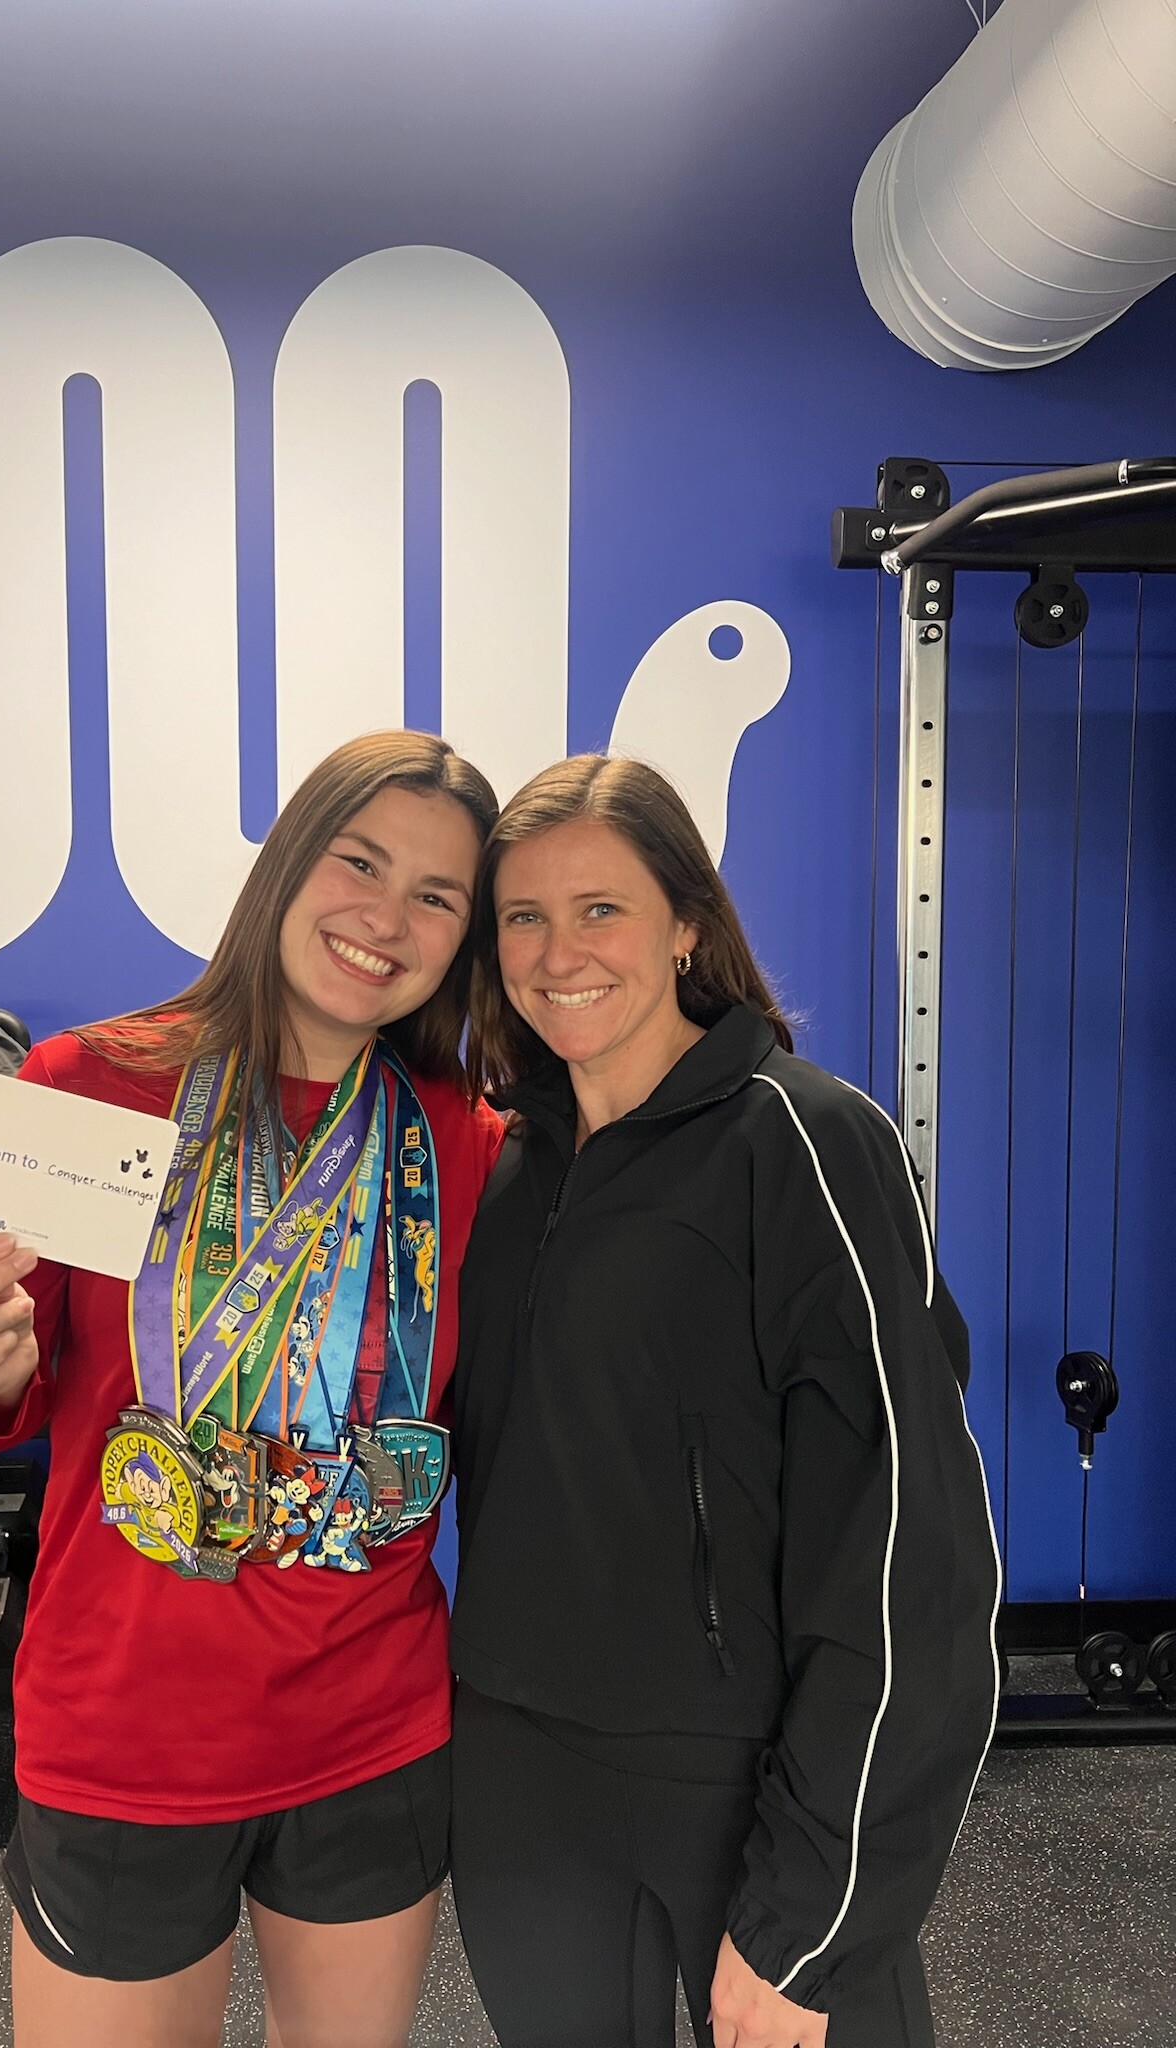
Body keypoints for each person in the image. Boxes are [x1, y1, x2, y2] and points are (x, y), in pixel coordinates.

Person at [0, 731, 505, 2048]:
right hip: (127, 1730)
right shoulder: (86, 1089)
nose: (384, 917)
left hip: (374, 1726)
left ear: (464, 940)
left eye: (436, 896)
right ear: (289, 864)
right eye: (360, 862)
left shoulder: (472, 1148)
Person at [448, 754, 1001, 2048]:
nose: (557, 950)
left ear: (687, 923)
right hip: (526, 1790)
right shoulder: (507, 1166)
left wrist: (816, 1910)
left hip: (744, 1785)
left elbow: (908, 1552)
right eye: (523, 915)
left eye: (602, 909)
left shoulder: (805, 1144)